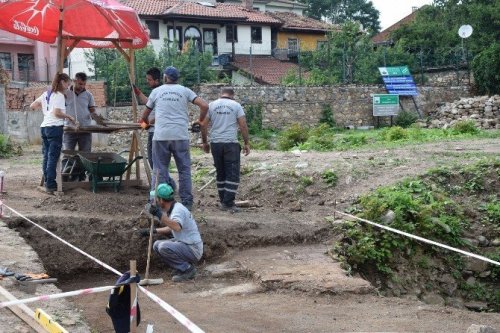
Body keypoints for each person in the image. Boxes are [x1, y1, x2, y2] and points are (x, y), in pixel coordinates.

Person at [141, 66, 209, 211]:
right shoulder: (185, 90)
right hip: (180, 135)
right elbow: (204, 105)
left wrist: (145, 125)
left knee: (159, 170)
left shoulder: (156, 92)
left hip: (161, 137)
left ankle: (156, 202)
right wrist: (200, 121)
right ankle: (186, 202)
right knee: (184, 170)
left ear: (165, 77)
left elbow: (144, 116)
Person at [201, 87, 250, 213]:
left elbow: (203, 125)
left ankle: (224, 200)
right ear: (233, 95)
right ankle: (228, 203)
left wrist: (205, 142)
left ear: (220, 94)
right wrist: (246, 143)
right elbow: (243, 125)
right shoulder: (236, 105)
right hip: (230, 144)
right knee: (232, 174)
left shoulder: (211, 105)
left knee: (221, 173)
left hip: (216, 144)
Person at [146, 183, 203, 282]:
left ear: (162, 200)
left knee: (163, 247)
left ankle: (187, 269)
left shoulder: (177, 210)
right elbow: (171, 227)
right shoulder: (174, 208)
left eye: (157, 199)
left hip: (193, 249)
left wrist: (159, 214)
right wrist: (152, 231)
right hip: (186, 244)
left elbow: (176, 227)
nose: (156, 202)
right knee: (156, 245)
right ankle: (181, 267)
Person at [30, 73, 76, 194]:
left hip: (44, 127)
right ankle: (51, 184)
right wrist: (69, 116)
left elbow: (33, 106)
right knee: (53, 157)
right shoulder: (60, 95)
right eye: (67, 83)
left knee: (46, 156)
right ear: (62, 82)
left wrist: (46, 110)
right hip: (55, 127)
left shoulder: (46, 94)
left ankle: (47, 182)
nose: (68, 86)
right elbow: (57, 113)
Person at [63, 72, 96, 152]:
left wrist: (96, 117)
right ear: (74, 81)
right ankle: (69, 165)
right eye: (80, 84)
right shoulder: (65, 93)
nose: (82, 86)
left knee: (86, 155)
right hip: (69, 129)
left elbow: (92, 110)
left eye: (84, 84)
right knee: (68, 153)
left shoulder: (89, 95)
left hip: (85, 129)